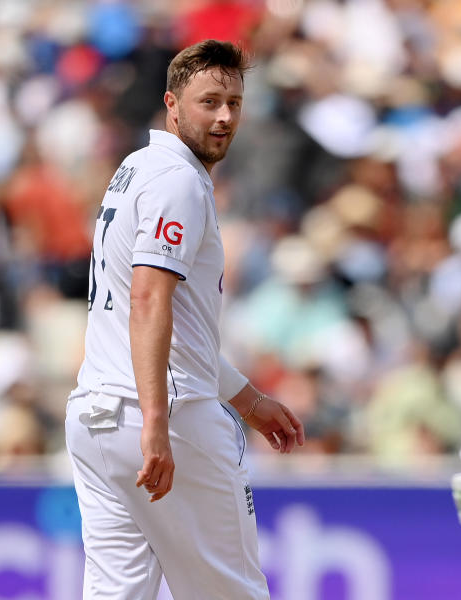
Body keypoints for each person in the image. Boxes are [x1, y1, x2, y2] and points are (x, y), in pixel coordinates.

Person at [65, 40, 305, 600]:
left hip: (96, 415)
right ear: (172, 103)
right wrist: (155, 421)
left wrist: (247, 399)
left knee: (117, 593)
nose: (224, 117)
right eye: (209, 101)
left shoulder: (136, 166)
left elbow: (170, 325)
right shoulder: (178, 181)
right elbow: (150, 300)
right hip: (165, 416)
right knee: (234, 592)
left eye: (235, 103)